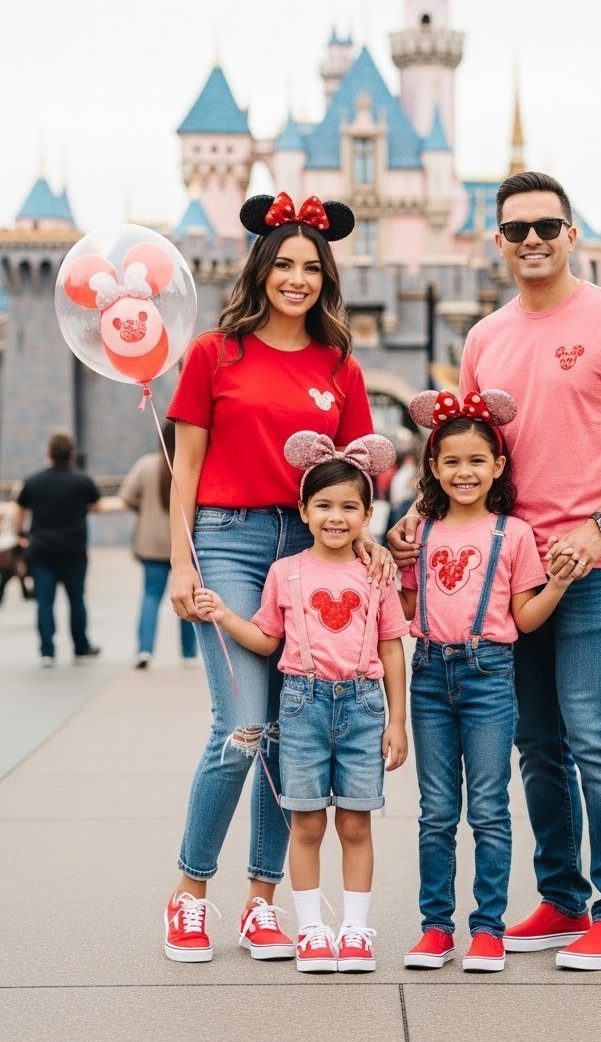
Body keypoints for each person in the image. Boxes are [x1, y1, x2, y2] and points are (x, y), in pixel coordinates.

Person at [390, 171, 601, 971]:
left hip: (595, 560)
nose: (533, 240)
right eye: (516, 229)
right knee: (537, 743)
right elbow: (466, 452)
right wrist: (424, 511)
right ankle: (561, 898)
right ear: (499, 242)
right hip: (506, 568)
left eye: (547, 225)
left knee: (594, 734)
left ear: (572, 232)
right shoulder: (485, 337)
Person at [164, 190, 393, 965]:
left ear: (325, 276)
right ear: (261, 268)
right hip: (226, 540)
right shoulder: (212, 354)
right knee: (242, 726)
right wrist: (179, 558)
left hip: (309, 546)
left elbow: (359, 473)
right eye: (284, 264)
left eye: (310, 267)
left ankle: (262, 902)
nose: (296, 278)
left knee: (289, 734)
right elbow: (184, 466)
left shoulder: (340, 365)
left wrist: (369, 542)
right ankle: (190, 893)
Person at [196, 432, 408, 973]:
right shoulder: (284, 573)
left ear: (367, 513)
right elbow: (268, 639)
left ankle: (355, 931)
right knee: (307, 823)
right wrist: (223, 613)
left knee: (357, 824)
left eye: (349, 507)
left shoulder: (375, 573)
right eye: (324, 506)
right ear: (304, 510)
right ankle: (312, 929)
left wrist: (397, 720)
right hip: (301, 708)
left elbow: (390, 645)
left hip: (363, 710)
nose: (336, 518)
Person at [399, 389, 574, 974]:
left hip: (489, 676)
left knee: (491, 810)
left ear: (497, 466)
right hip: (427, 674)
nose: (464, 472)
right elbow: (403, 608)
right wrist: (384, 564)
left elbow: (524, 618)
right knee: (436, 811)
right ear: (433, 467)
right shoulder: (419, 533)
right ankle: (434, 928)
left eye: (476, 461)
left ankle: (488, 930)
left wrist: (558, 584)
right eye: (451, 461)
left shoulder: (514, 535)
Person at [13, 432, 103, 666]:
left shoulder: (32, 482)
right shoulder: (83, 481)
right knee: (77, 600)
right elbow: (96, 505)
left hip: (42, 551)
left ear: (48, 453)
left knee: (44, 602)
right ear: (71, 453)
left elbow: (19, 514)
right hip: (74, 550)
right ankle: (81, 648)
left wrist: (21, 536)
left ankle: (47, 652)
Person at [119, 421, 198, 668]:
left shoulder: (147, 465)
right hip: (186, 542)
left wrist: (144, 510)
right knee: (188, 596)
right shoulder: (194, 465)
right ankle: (188, 653)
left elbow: (127, 497)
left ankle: (144, 650)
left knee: (151, 596)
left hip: (152, 543)